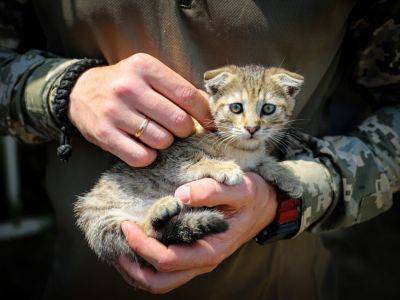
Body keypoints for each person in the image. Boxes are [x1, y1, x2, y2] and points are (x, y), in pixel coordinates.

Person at [1, 0, 399, 299]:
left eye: (265, 112)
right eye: (241, 110)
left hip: (278, 283)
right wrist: (63, 89)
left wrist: (291, 194)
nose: (252, 125)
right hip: (89, 276)